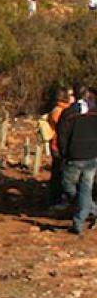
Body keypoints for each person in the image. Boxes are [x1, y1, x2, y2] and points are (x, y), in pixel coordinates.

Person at [56, 89, 97, 235]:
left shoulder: (69, 113)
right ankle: (81, 219)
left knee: (68, 185)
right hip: (92, 155)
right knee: (85, 188)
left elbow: (61, 135)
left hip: (75, 155)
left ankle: (84, 215)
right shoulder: (94, 111)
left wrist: (64, 153)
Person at [47, 88, 75, 209]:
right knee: (60, 173)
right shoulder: (60, 111)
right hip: (58, 146)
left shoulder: (60, 110)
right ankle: (58, 200)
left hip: (57, 144)